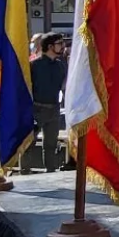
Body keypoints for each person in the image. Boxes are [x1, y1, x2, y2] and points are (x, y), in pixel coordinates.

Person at [27, 33, 67, 171]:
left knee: (51, 144)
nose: (63, 46)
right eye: (59, 43)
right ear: (50, 46)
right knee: (28, 143)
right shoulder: (34, 65)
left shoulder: (60, 65)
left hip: (54, 108)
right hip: (36, 108)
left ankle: (51, 172)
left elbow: (62, 85)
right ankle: (25, 171)